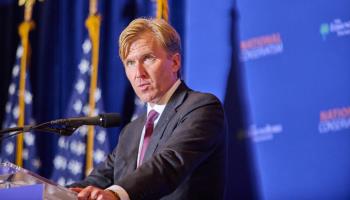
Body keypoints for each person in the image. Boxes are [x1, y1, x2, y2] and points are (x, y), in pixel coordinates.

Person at [69, 18, 227, 200]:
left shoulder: (202, 108)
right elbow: (97, 180)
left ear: (175, 62)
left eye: (148, 58)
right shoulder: (132, 131)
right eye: (130, 63)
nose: (139, 73)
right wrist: (49, 193)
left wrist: (115, 194)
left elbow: (168, 164)